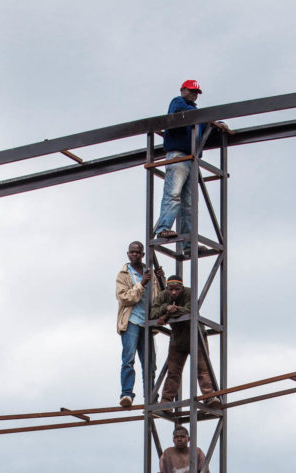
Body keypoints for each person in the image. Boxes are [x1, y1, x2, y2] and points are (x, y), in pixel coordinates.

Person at [153, 80, 205, 248]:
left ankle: (188, 244)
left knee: (189, 202)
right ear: (182, 90)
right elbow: (177, 114)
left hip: (191, 158)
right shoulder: (178, 102)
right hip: (178, 155)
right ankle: (163, 228)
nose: (193, 94)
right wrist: (204, 117)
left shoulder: (196, 113)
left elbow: (203, 127)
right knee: (173, 194)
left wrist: (214, 124)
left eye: (196, 92)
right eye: (191, 90)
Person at [151, 277, 217, 407]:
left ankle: (209, 397)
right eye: (171, 289)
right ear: (167, 289)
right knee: (173, 372)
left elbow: (190, 311)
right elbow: (152, 314)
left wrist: (166, 315)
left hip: (195, 335)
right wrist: (167, 307)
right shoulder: (163, 295)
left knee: (203, 369)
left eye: (177, 289)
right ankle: (166, 402)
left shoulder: (189, 293)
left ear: (181, 288)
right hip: (178, 337)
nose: (174, 292)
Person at [115, 242, 158, 409]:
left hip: (147, 322)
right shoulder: (123, 274)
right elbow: (125, 298)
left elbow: (160, 296)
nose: (134, 255)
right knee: (128, 359)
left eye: (137, 252)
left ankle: (150, 396)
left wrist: (160, 279)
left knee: (150, 363)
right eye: (131, 252)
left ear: (142, 254)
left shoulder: (150, 273)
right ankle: (126, 393)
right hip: (131, 320)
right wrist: (141, 284)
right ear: (128, 254)